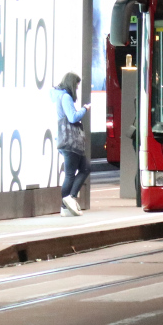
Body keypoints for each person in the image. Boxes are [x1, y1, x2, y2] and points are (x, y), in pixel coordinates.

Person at [51, 72, 89, 217]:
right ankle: (66, 203)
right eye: (77, 85)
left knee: (84, 168)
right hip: (70, 142)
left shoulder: (58, 96)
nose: (77, 88)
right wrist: (85, 109)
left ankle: (68, 201)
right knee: (71, 174)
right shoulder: (66, 97)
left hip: (65, 141)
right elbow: (73, 117)